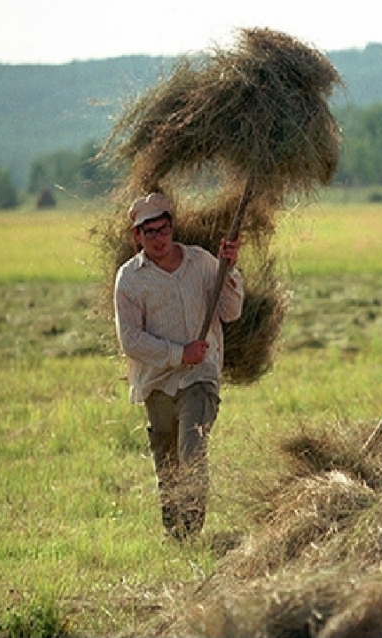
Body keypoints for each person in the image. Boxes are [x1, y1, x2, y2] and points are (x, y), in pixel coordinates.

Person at [114, 192, 244, 539]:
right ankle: (176, 535)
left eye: (164, 229)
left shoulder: (202, 263)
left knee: (192, 448)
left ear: (172, 227)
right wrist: (178, 353)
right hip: (157, 382)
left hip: (201, 376)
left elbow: (231, 313)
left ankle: (193, 531)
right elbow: (130, 340)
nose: (159, 238)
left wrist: (229, 269)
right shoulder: (129, 279)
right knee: (168, 462)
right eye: (150, 232)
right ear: (136, 236)